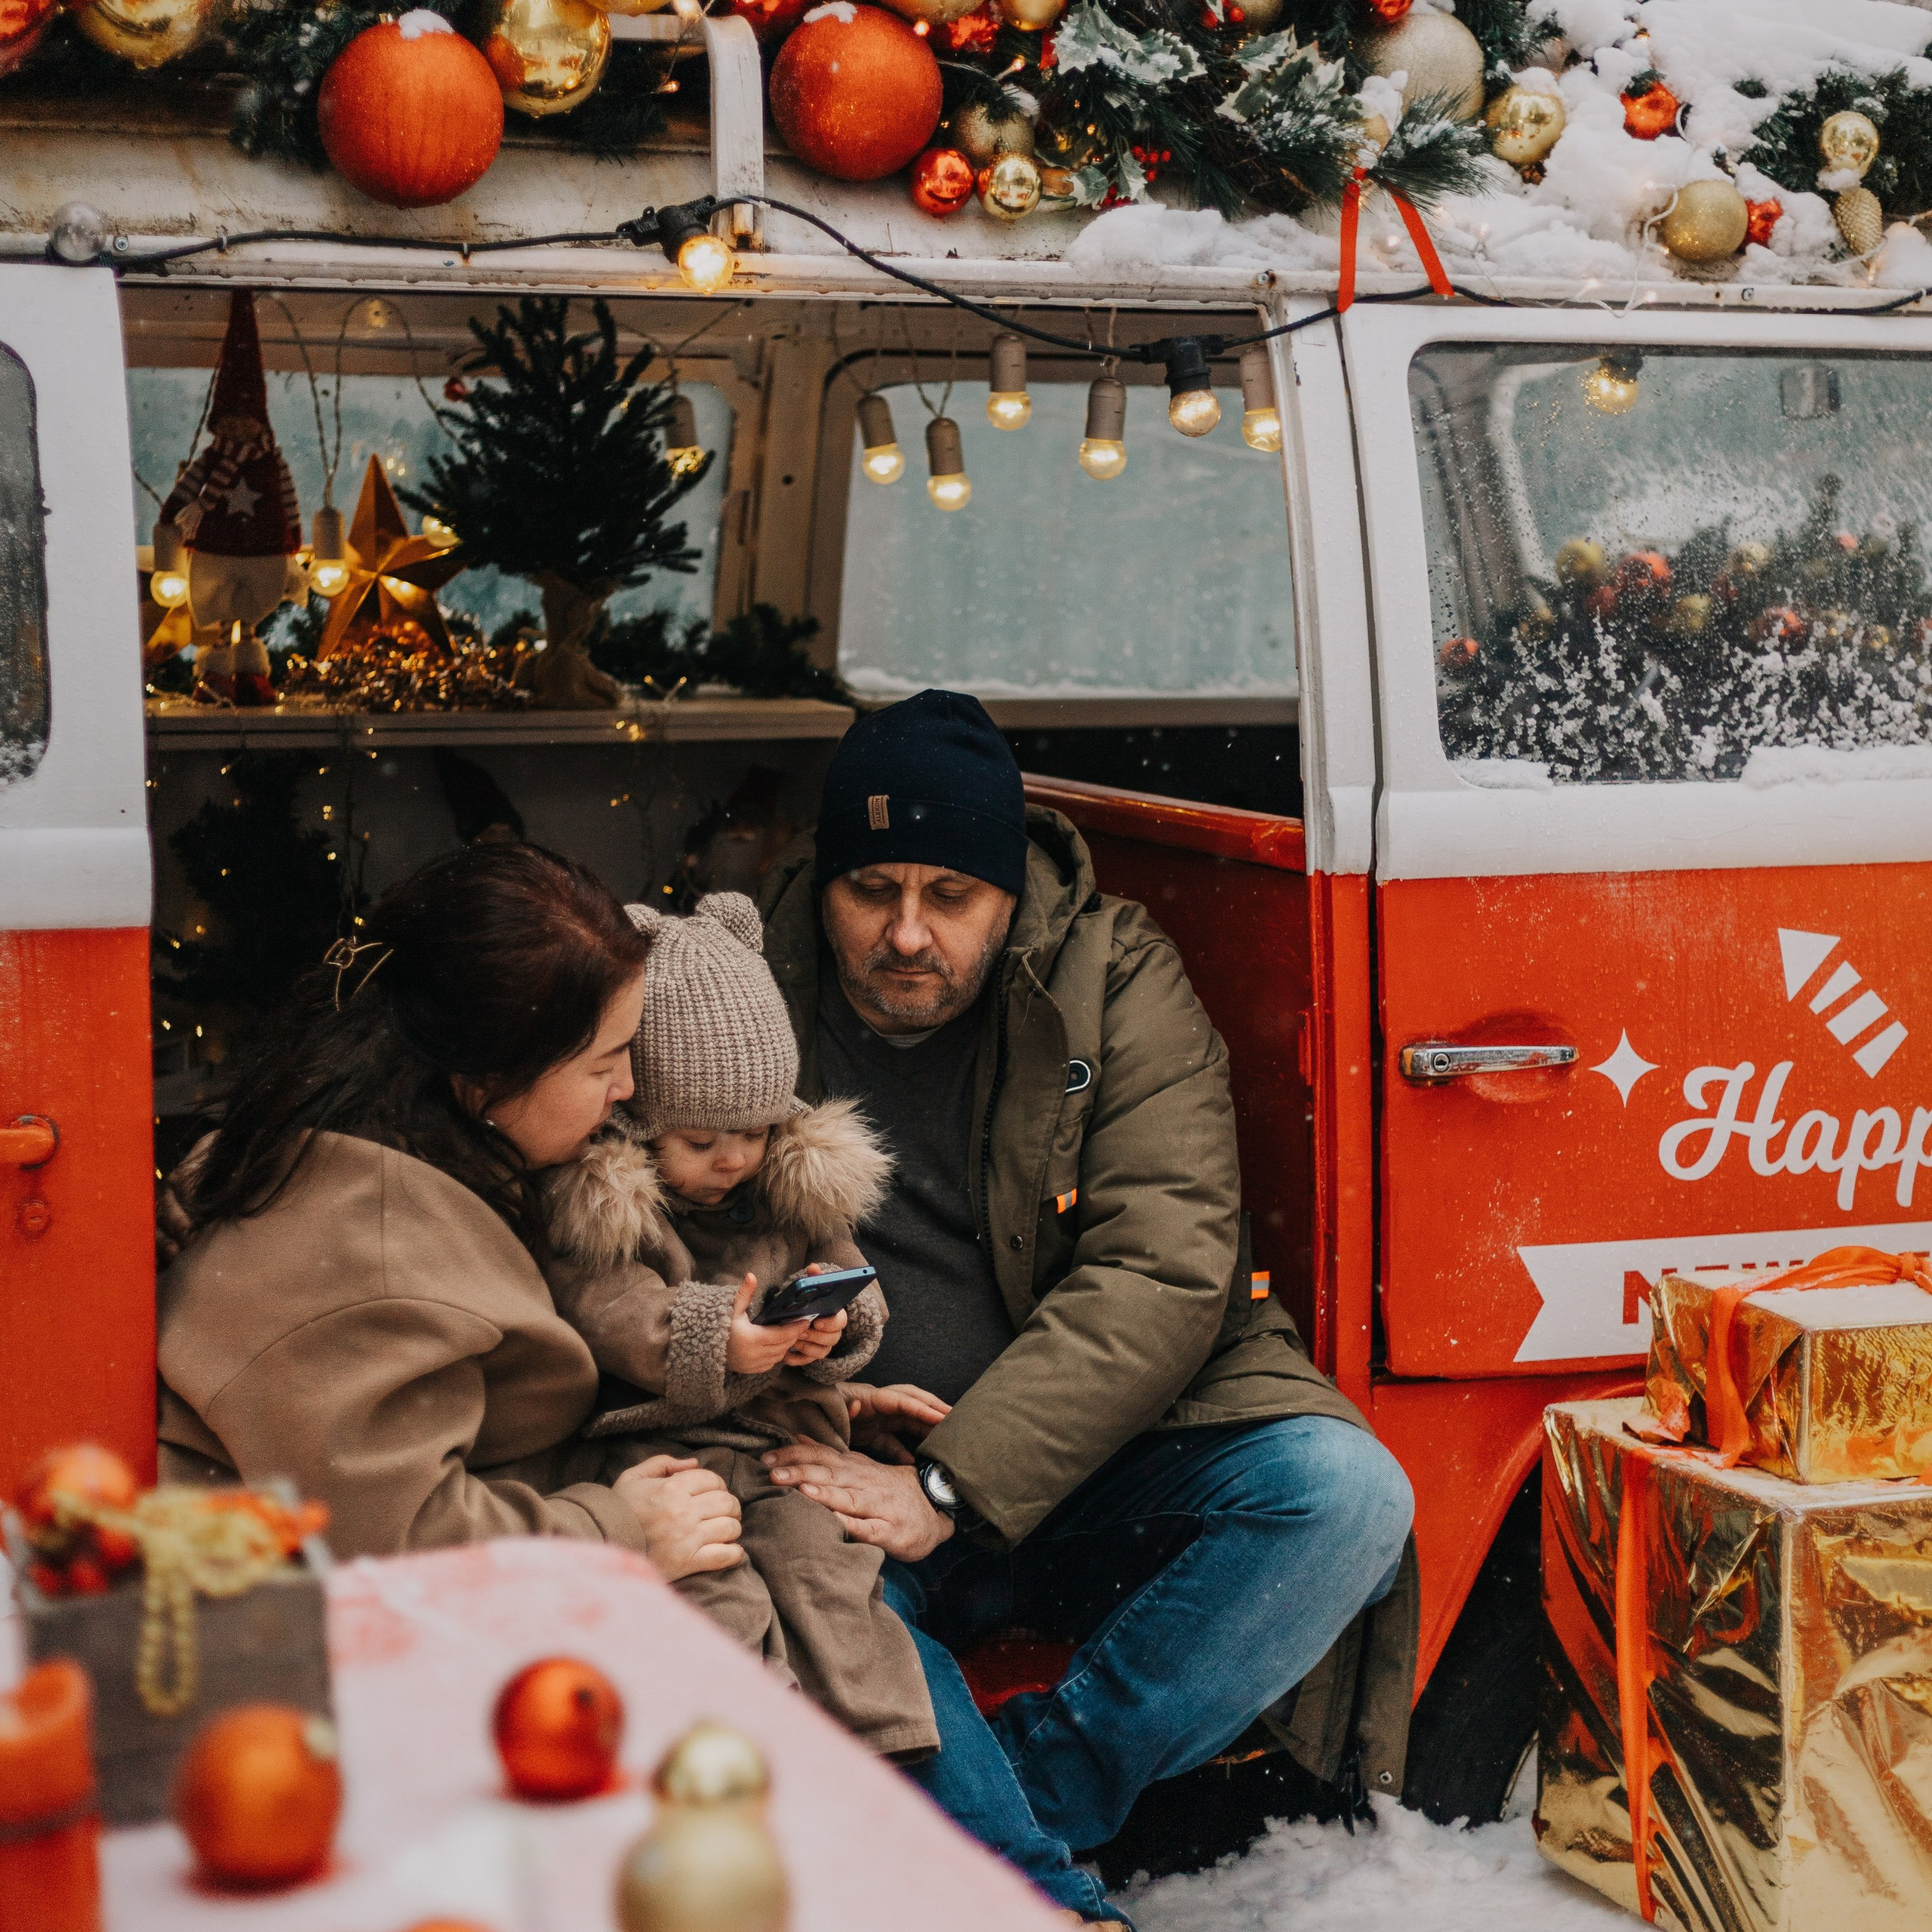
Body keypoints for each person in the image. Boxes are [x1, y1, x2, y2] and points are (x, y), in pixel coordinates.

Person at [752, 691, 1418, 1924]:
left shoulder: (1112, 975)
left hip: (1095, 1458)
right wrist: (806, 1390)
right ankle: (1050, 1903)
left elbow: (1163, 1267)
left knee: (1346, 1492)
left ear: (1010, 895)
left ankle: (1017, 1808)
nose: (906, 935)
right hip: (849, 1449)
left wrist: (951, 1487)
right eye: (872, 890)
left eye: (948, 896)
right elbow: (666, 1238)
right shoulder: (746, 983)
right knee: (799, 1561)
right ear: (824, 878)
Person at [155, 842, 745, 1580]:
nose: (628, 1086)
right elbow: (397, 1544)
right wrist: (623, 1533)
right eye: (605, 1061)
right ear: (487, 1075)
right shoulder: (366, 1256)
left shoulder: (427, 1142)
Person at [540, 892, 939, 1761]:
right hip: (667, 1447)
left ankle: (889, 1745)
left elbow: (849, 1279)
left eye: (755, 1131)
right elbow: (609, 1308)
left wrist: (831, 1324)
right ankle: (745, 1751)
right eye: (700, 1139)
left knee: (823, 1565)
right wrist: (714, 1335)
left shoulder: (788, 1186)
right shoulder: (610, 1205)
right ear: (638, 1122)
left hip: (782, 1437)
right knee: (718, 1587)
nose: (733, 1158)